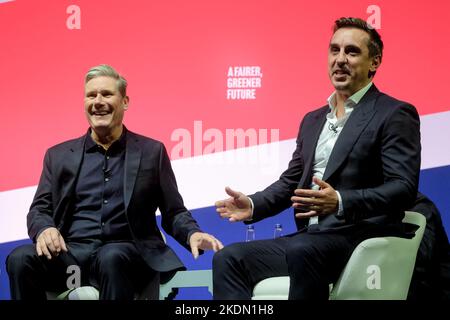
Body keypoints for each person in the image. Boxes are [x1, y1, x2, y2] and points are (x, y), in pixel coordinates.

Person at [213, 17, 421, 300]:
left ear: (374, 62)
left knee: (303, 251)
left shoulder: (394, 114)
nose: (340, 59)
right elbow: (291, 183)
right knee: (229, 258)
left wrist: (342, 201)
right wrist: (252, 204)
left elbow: (403, 188)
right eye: (334, 50)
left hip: (360, 237)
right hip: (310, 240)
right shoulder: (312, 120)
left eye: (351, 51)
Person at [6, 64, 223, 300]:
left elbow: (173, 211)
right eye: (91, 95)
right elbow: (39, 209)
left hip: (127, 257)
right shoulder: (58, 156)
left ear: (125, 101)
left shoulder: (152, 152)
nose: (98, 101)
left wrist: (191, 233)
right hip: (71, 262)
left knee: (112, 255)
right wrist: (45, 228)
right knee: (20, 258)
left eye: (107, 94)